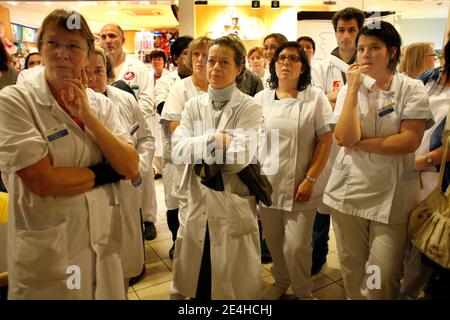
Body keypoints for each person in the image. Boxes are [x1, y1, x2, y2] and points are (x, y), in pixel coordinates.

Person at [0, 9, 139, 299]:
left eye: (73, 46)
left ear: (89, 56)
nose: (62, 53)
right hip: (48, 256)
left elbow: (129, 165)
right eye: (53, 43)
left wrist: (88, 117)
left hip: (101, 245)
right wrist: (106, 172)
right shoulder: (14, 102)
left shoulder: (101, 107)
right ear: (40, 48)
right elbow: (43, 181)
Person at [323, 21, 433, 299]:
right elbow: (344, 137)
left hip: (392, 197)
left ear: (392, 51)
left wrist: (360, 144)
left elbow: (409, 141)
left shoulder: (411, 88)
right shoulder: (353, 88)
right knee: (353, 268)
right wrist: (352, 89)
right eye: (361, 49)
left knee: (381, 274)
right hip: (349, 193)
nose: (366, 54)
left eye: (375, 48)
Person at [171, 35, 262, 300]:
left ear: (239, 69)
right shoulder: (192, 105)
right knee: (199, 281)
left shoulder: (249, 107)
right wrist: (213, 140)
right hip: (198, 202)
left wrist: (196, 147)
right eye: (211, 61)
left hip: (232, 202)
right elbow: (178, 150)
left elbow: (238, 158)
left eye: (224, 62)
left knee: (231, 286)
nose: (215, 68)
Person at [255, 41, 333, 299]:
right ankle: (281, 281)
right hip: (268, 184)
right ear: (273, 64)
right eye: (281, 59)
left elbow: (325, 140)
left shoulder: (315, 98)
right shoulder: (260, 99)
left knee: (298, 247)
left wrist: (311, 178)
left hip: (302, 184)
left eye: (293, 59)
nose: (286, 63)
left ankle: (303, 291)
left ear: (303, 67)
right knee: (275, 243)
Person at [86, 46, 155, 294]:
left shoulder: (124, 99)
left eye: (98, 71)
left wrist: (139, 166)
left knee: (124, 263)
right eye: (86, 72)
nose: (92, 78)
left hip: (126, 192)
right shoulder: (75, 106)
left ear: (108, 73)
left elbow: (146, 138)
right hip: (92, 195)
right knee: (94, 271)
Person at [310, 7, 366, 275]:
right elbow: (317, 100)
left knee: (352, 210)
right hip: (328, 145)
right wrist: (347, 96)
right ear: (335, 33)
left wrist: (334, 98)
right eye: (341, 30)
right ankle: (317, 254)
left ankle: (354, 266)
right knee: (321, 208)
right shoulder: (321, 66)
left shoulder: (368, 66)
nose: (345, 36)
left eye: (351, 30)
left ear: (359, 32)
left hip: (359, 146)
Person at [161, 36, 212, 299]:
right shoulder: (181, 90)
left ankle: (206, 289)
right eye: (197, 55)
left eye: (207, 54)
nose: (202, 60)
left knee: (211, 241)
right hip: (187, 174)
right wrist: (212, 141)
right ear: (189, 60)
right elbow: (176, 131)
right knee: (187, 238)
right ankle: (180, 292)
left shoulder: (222, 87)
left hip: (217, 179)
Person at [100, 23, 158, 241]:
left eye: (112, 36)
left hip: (135, 129)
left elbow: (146, 99)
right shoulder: (97, 67)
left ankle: (148, 219)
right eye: (104, 36)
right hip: (106, 132)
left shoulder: (138, 69)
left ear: (123, 40)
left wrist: (127, 123)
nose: (108, 40)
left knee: (143, 176)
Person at [155, 35, 193, 260]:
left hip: (200, 156)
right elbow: (164, 110)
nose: (195, 58)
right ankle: (175, 241)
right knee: (173, 202)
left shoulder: (208, 80)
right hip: (174, 156)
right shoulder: (166, 83)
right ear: (177, 58)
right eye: (189, 53)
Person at [148, 49, 168, 181]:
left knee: (164, 141)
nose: (156, 62)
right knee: (154, 141)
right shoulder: (148, 76)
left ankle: (165, 168)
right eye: (154, 59)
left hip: (163, 113)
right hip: (151, 113)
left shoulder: (169, 77)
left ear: (164, 62)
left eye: (159, 59)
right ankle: (158, 169)